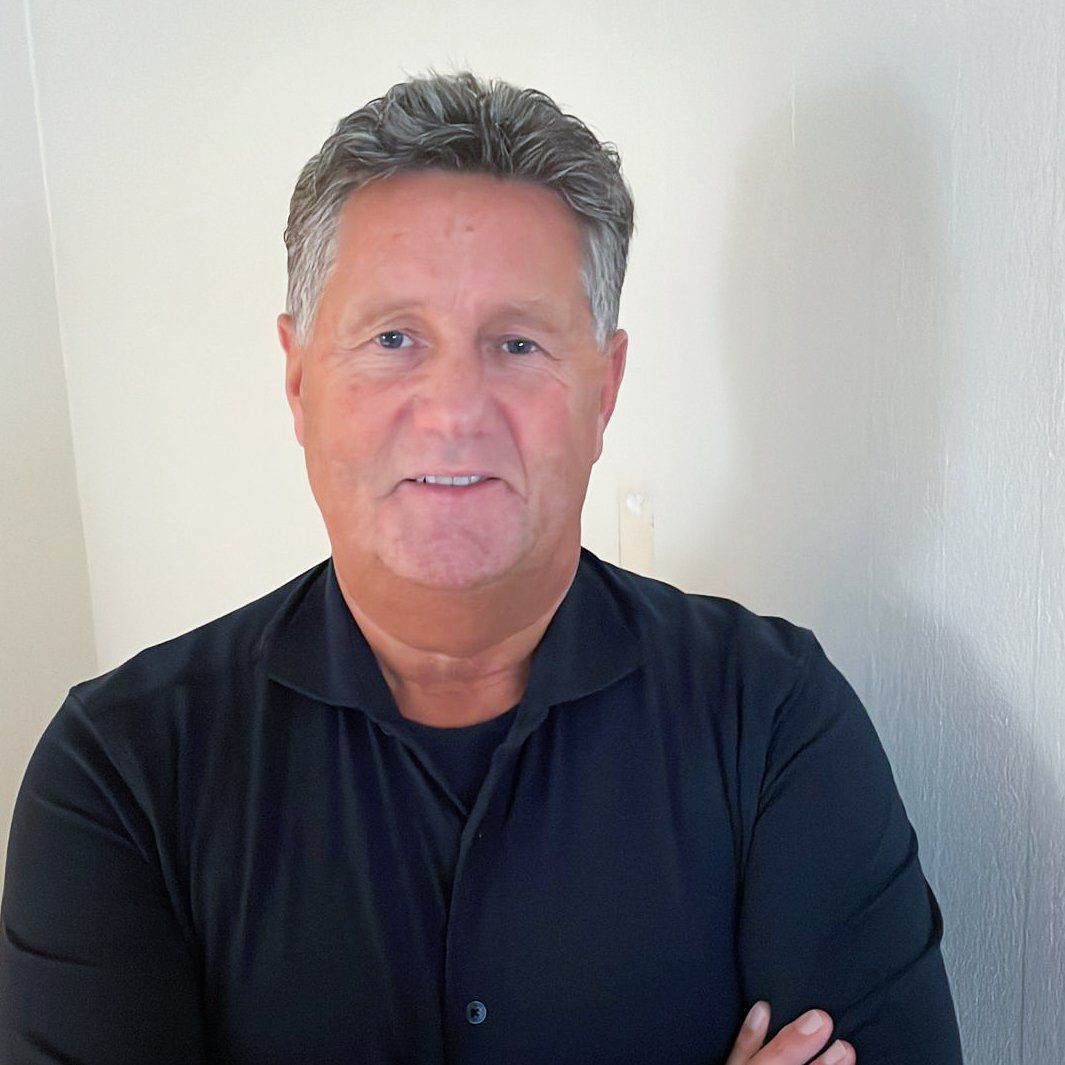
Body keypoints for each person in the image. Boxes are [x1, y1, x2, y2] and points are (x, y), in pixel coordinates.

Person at [0, 70, 963, 1065]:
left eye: (516, 342)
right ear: (298, 380)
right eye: (393, 338)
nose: (454, 410)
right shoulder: (121, 772)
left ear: (604, 388)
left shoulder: (773, 722)